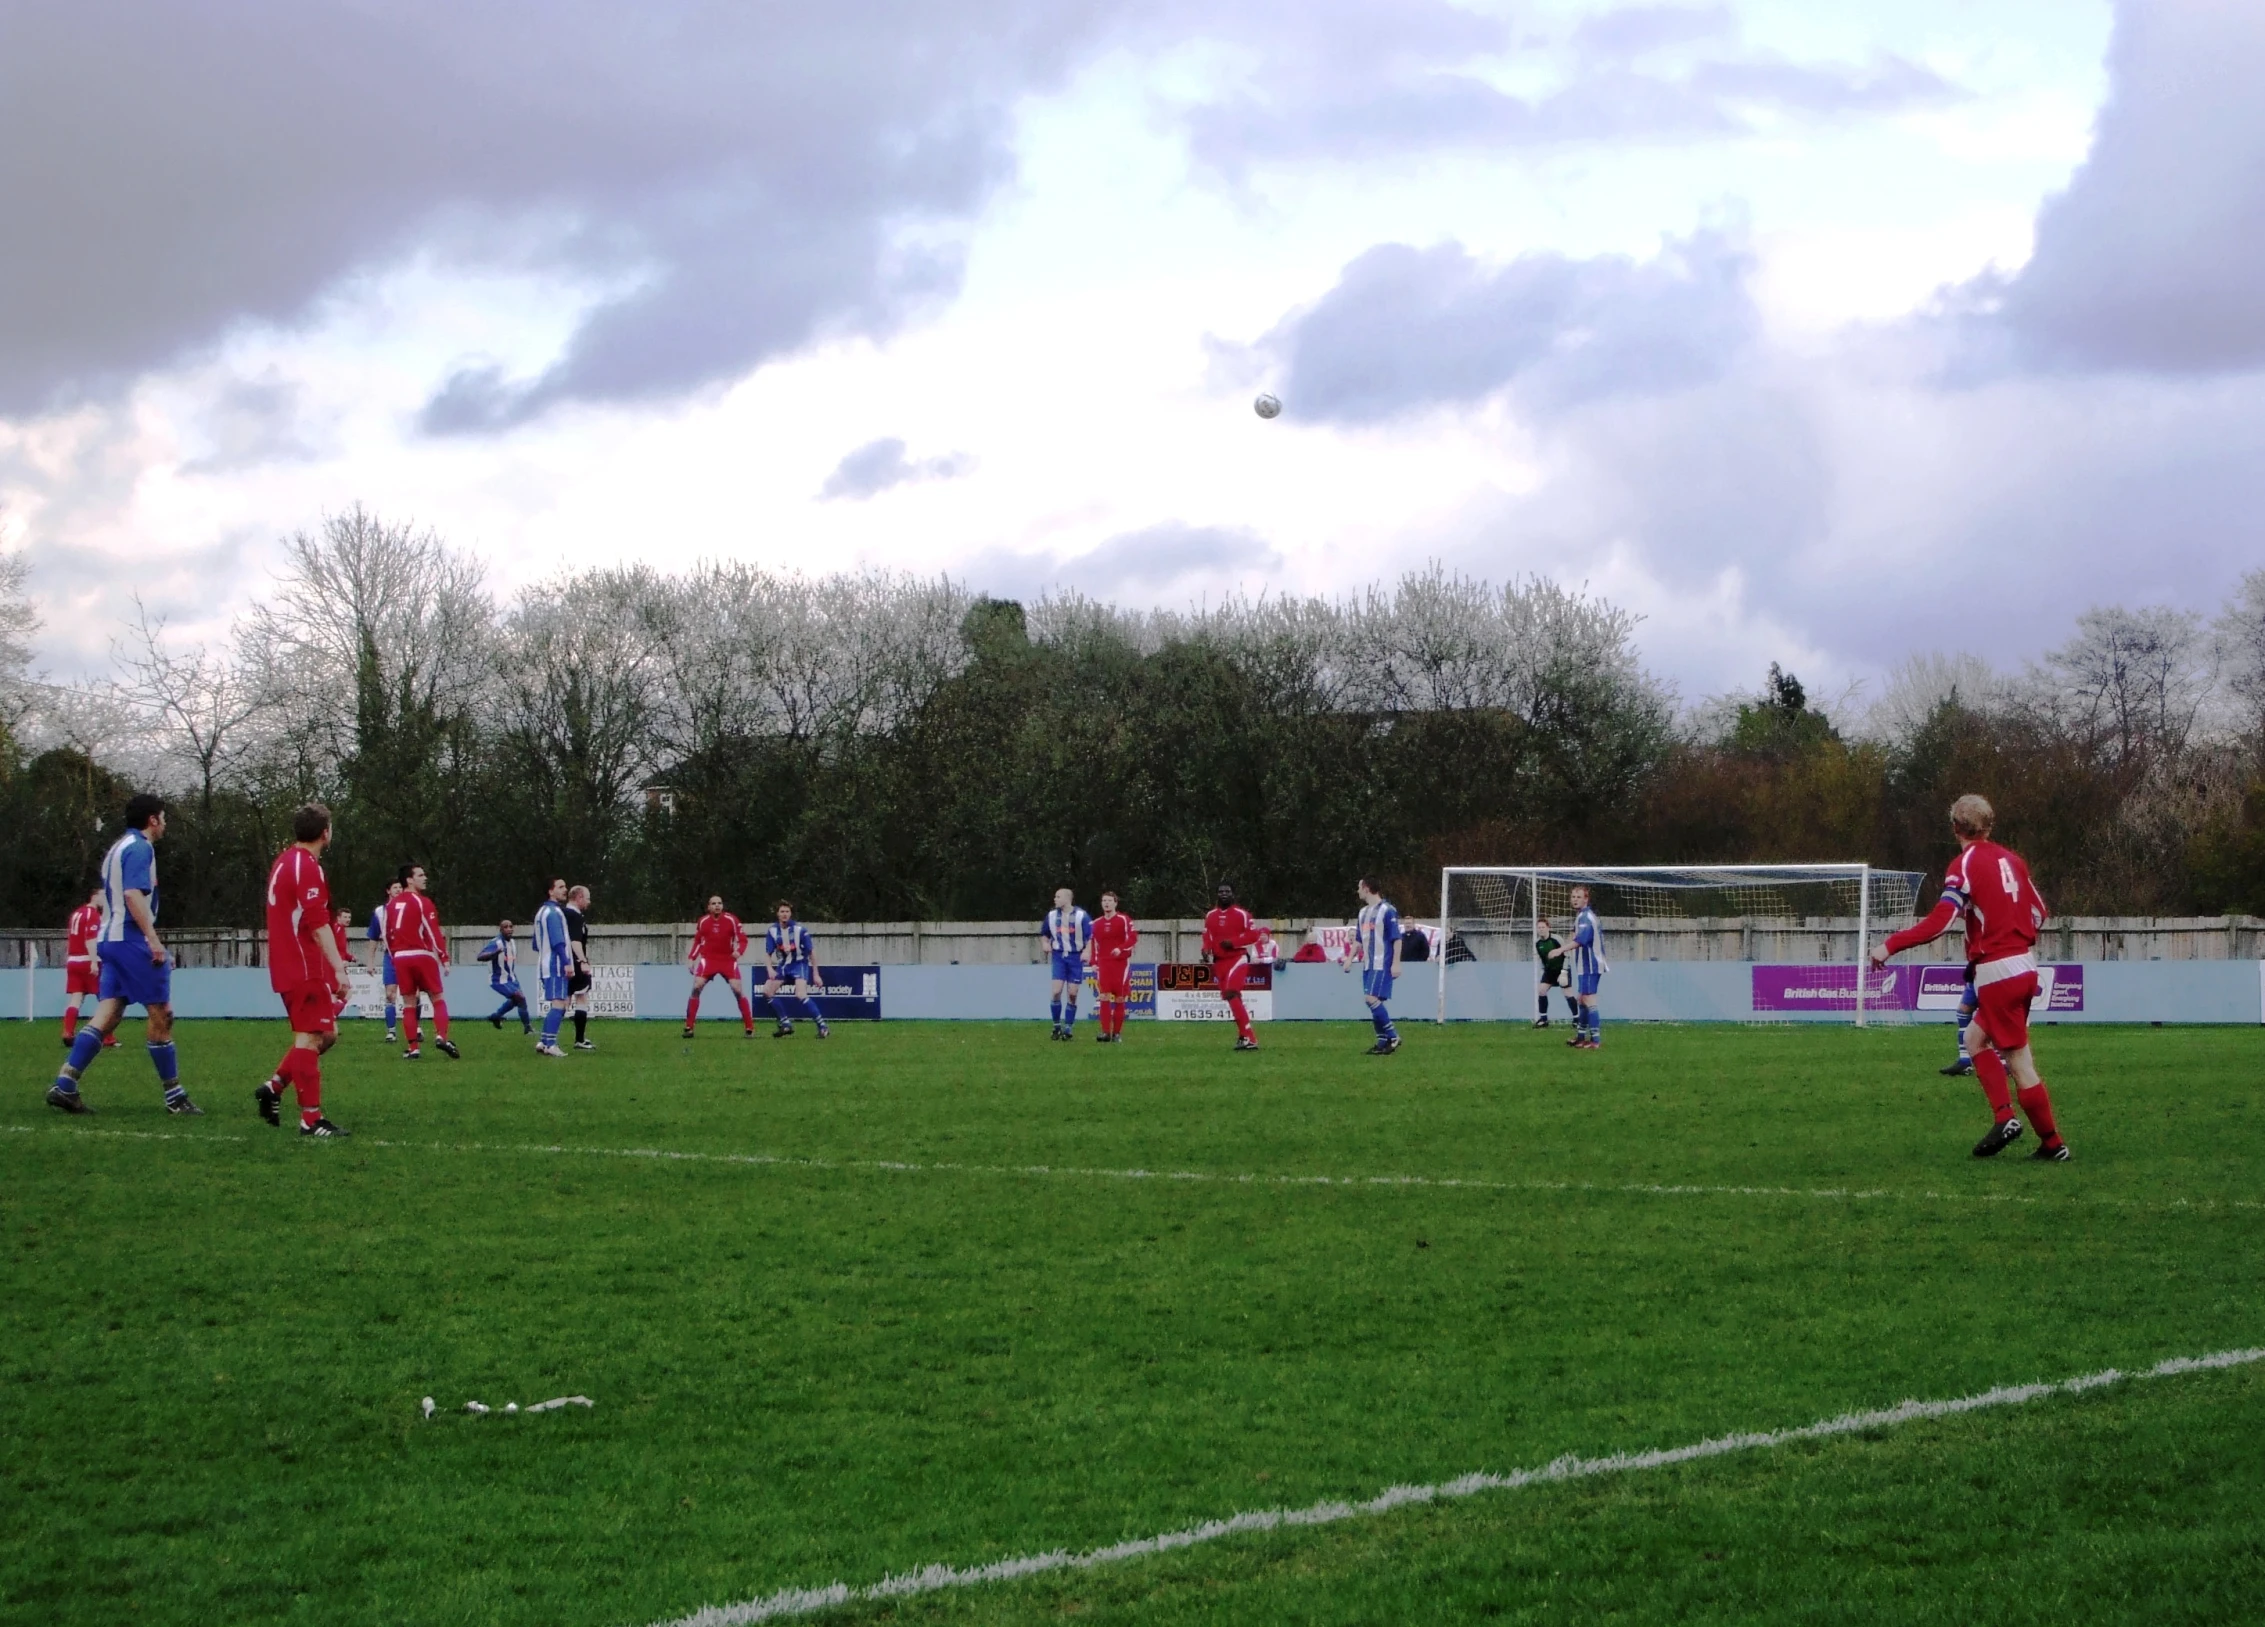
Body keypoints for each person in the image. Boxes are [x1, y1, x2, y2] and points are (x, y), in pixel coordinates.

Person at [1874, 793, 2069, 1161]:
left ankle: (2053, 1144)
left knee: (2020, 1064)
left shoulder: (1964, 865)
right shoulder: (2014, 860)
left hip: (1997, 971)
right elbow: (2039, 913)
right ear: (1989, 825)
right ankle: (2005, 1117)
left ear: (1955, 827)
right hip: (2026, 965)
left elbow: (1939, 922)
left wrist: (1890, 946)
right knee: (1976, 1039)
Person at [48, 794, 198, 1115]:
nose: (165, 822)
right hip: (130, 939)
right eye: (164, 816)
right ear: (153, 820)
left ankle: (65, 1085)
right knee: (162, 1013)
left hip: (109, 939)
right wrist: (153, 940)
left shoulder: (116, 848)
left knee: (110, 1012)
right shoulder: (140, 848)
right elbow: (132, 895)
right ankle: (175, 1097)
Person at [253, 803, 355, 1137]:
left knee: (326, 1034)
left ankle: (274, 1086)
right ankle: (311, 1119)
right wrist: (339, 970)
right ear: (326, 832)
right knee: (311, 1037)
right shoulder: (307, 867)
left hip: (289, 962)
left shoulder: (284, 861)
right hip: (303, 964)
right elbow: (317, 923)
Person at [383, 863, 460, 1061]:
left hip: (400, 958)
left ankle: (413, 1048)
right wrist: (444, 957)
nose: (424, 878)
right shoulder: (422, 902)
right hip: (421, 954)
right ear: (409, 880)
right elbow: (433, 931)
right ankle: (442, 1037)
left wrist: (394, 957)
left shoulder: (391, 905)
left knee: (409, 1003)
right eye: (420, 875)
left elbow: (386, 934)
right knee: (437, 998)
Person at [1202, 882, 1263, 1052]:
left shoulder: (1242, 915)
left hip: (1237, 958)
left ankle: (1251, 1038)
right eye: (1220, 891)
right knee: (1232, 999)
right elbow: (1207, 935)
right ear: (1217, 894)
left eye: (1227, 891)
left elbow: (1253, 935)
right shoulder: (1210, 915)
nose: (1223, 894)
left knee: (1231, 992)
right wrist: (1205, 949)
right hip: (1219, 961)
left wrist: (1234, 943)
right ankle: (1244, 1036)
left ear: (1233, 894)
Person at [684, 896, 755, 1039]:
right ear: (708, 907)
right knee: (697, 987)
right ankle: (689, 1027)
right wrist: (691, 958)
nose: (717, 906)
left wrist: (738, 951)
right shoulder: (703, 921)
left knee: (737, 989)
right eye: (714, 903)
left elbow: (742, 939)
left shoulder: (731, 920)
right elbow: (698, 941)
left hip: (727, 960)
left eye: (719, 903)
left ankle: (749, 1028)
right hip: (708, 959)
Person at [1347, 877, 1403, 1054]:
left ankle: (1393, 1036)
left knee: (1370, 998)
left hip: (1382, 963)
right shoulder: (1363, 912)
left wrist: (1396, 963)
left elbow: (1396, 939)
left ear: (1366, 888)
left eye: (1359, 887)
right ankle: (1382, 1042)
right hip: (1368, 965)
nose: (1357, 891)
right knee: (1374, 1002)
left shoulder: (1387, 910)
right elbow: (1358, 940)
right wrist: (1349, 958)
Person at [762, 902, 828, 1038]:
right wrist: (769, 968)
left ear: (790, 914)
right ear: (777, 914)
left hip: (799, 964)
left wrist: (816, 974)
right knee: (767, 991)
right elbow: (768, 953)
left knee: (800, 994)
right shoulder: (772, 931)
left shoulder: (800, 930)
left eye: (787, 911)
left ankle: (822, 1026)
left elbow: (812, 952)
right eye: (782, 911)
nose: (784, 914)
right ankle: (786, 1024)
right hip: (783, 966)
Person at [61, 886, 115, 1049]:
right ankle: (107, 1037)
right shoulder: (93, 915)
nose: (103, 900)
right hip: (87, 960)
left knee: (76, 998)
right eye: (101, 896)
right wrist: (93, 961)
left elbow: (71, 937)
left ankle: (68, 1032)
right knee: (106, 999)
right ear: (93, 896)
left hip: (73, 961)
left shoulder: (76, 913)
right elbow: (90, 939)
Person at [1041, 887, 1093, 1040]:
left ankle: (1068, 1027)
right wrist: (1045, 944)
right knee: (1056, 991)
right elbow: (1044, 934)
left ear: (1067, 899)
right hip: (1059, 956)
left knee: (1072, 993)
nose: (1055, 899)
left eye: (1058, 896)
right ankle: (1056, 1025)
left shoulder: (1081, 916)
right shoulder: (1051, 916)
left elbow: (1090, 936)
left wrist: (1087, 951)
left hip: (1075, 958)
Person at [530, 879, 573, 1057]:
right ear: (550, 891)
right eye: (561, 887)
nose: (565, 890)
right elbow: (558, 941)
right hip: (555, 965)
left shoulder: (541, 912)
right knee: (559, 1003)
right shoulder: (554, 913)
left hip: (545, 963)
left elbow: (535, 944)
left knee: (558, 1003)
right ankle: (551, 1044)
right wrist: (566, 962)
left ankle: (543, 1041)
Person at [1089, 889, 1138, 1043]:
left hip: (1120, 963)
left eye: (1109, 901)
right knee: (1103, 996)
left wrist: (1121, 948)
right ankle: (1105, 1032)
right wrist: (1094, 962)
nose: (1106, 903)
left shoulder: (1124, 919)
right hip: (1104, 963)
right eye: (1104, 901)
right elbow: (1093, 944)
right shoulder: (1096, 923)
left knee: (1119, 997)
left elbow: (1133, 938)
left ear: (1115, 903)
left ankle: (1116, 1033)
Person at [1568, 886, 1607, 1049]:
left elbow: (1580, 941)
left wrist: (1559, 950)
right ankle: (1581, 1037)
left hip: (1591, 964)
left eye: (1579, 897)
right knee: (1581, 1000)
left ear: (1586, 899)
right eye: (1573, 896)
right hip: (1585, 965)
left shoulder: (1586, 917)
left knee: (1588, 1000)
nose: (1575, 899)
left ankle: (1595, 1041)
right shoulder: (1581, 917)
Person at [477, 920, 533, 1033]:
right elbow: (480, 956)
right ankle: (528, 1028)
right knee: (520, 998)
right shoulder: (496, 943)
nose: (509, 929)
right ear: (501, 930)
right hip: (498, 979)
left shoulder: (512, 942)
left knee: (517, 1000)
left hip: (512, 978)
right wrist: (494, 953)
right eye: (505, 927)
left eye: (511, 927)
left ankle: (496, 1016)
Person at [367, 879, 403, 1041]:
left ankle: (416, 1027)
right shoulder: (380, 912)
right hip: (391, 956)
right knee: (390, 994)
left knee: (415, 995)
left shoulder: (410, 907)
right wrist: (370, 961)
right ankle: (391, 1030)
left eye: (400, 887)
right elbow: (373, 938)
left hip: (409, 955)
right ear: (388, 891)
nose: (398, 890)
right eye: (395, 887)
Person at [564, 884, 596, 1051]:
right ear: (579, 898)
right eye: (588, 898)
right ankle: (579, 1039)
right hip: (575, 962)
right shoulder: (574, 916)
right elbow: (575, 941)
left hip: (566, 962)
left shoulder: (563, 914)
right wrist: (583, 960)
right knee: (580, 997)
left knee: (565, 1000)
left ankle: (547, 1038)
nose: (589, 902)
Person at [1532, 917, 1579, 1029]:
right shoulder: (1538, 943)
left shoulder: (1556, 939)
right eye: (1539, 928)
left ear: (1548, 928)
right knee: (1541, 990)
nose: (1541, 929)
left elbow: (1567, 954)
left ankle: (1577, 1019)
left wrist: (1564, 972)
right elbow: (1543, 959)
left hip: (1562, 969)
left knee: (1568, 993)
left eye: (1543, 927)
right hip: (1549, 971)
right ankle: (1543, 1020)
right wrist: (1544, 969)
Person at [1939, 970, 1978, 1076]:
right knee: (1963, 1012)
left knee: (1992, 1016)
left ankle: (2003, 1063)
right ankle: (1965, 1061)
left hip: (1993, 971)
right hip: (1977, 974)